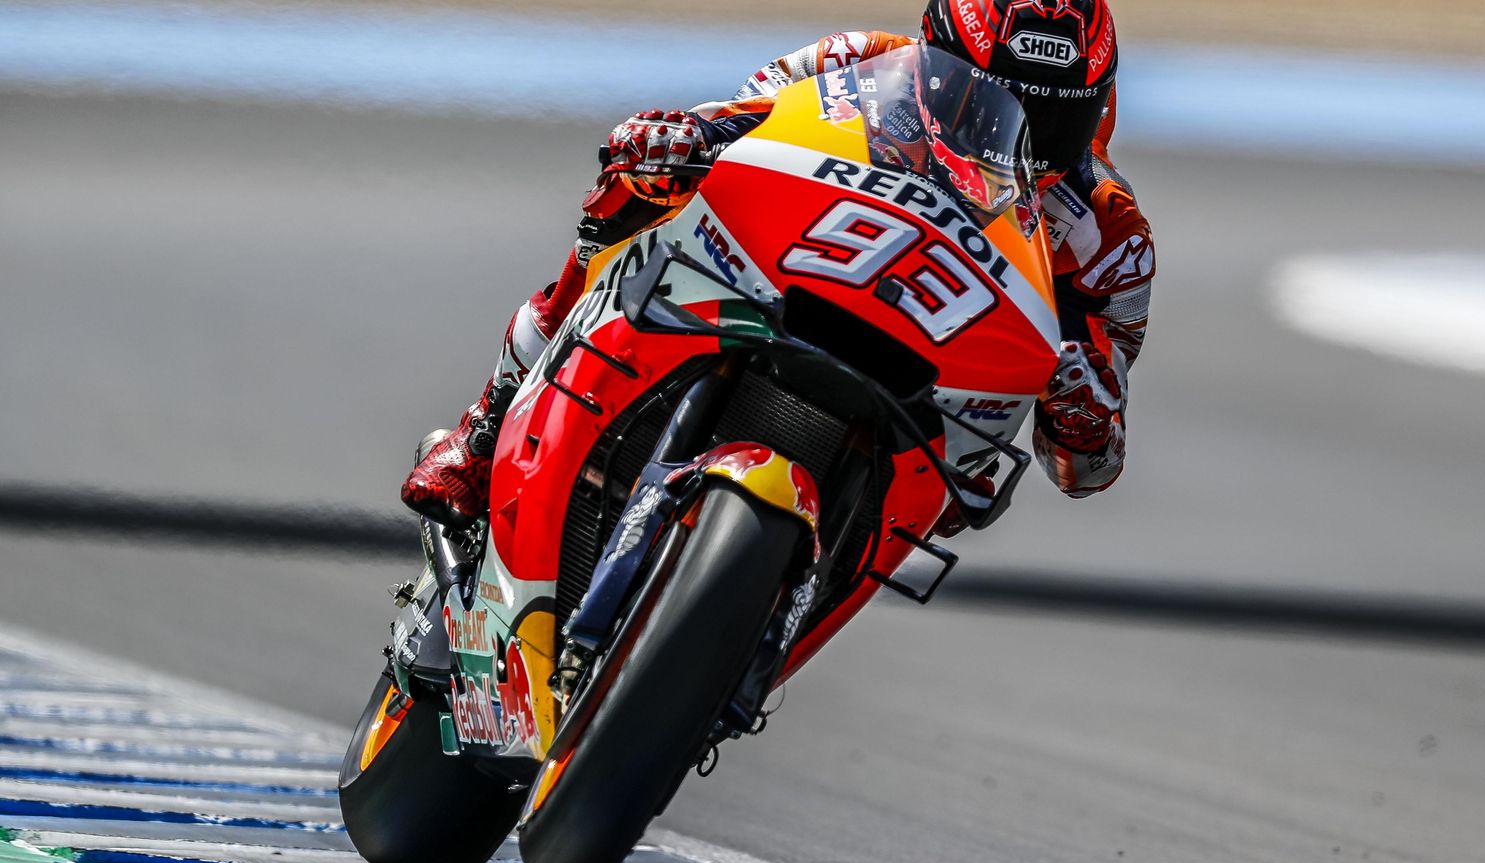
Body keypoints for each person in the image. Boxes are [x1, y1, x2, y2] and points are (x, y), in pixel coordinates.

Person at [401, 0, 1155, 531]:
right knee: (639, 194)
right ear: (935, 60)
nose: (1017, 133)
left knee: (967, 502)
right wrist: (678, 136)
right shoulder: (852, 63)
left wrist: (1082, 404)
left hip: (923, 416)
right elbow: (738, 130)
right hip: (785, 285)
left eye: (1055, 118)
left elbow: (1090, 466)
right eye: (989, 99)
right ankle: (487, 427)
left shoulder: (1110, 234)